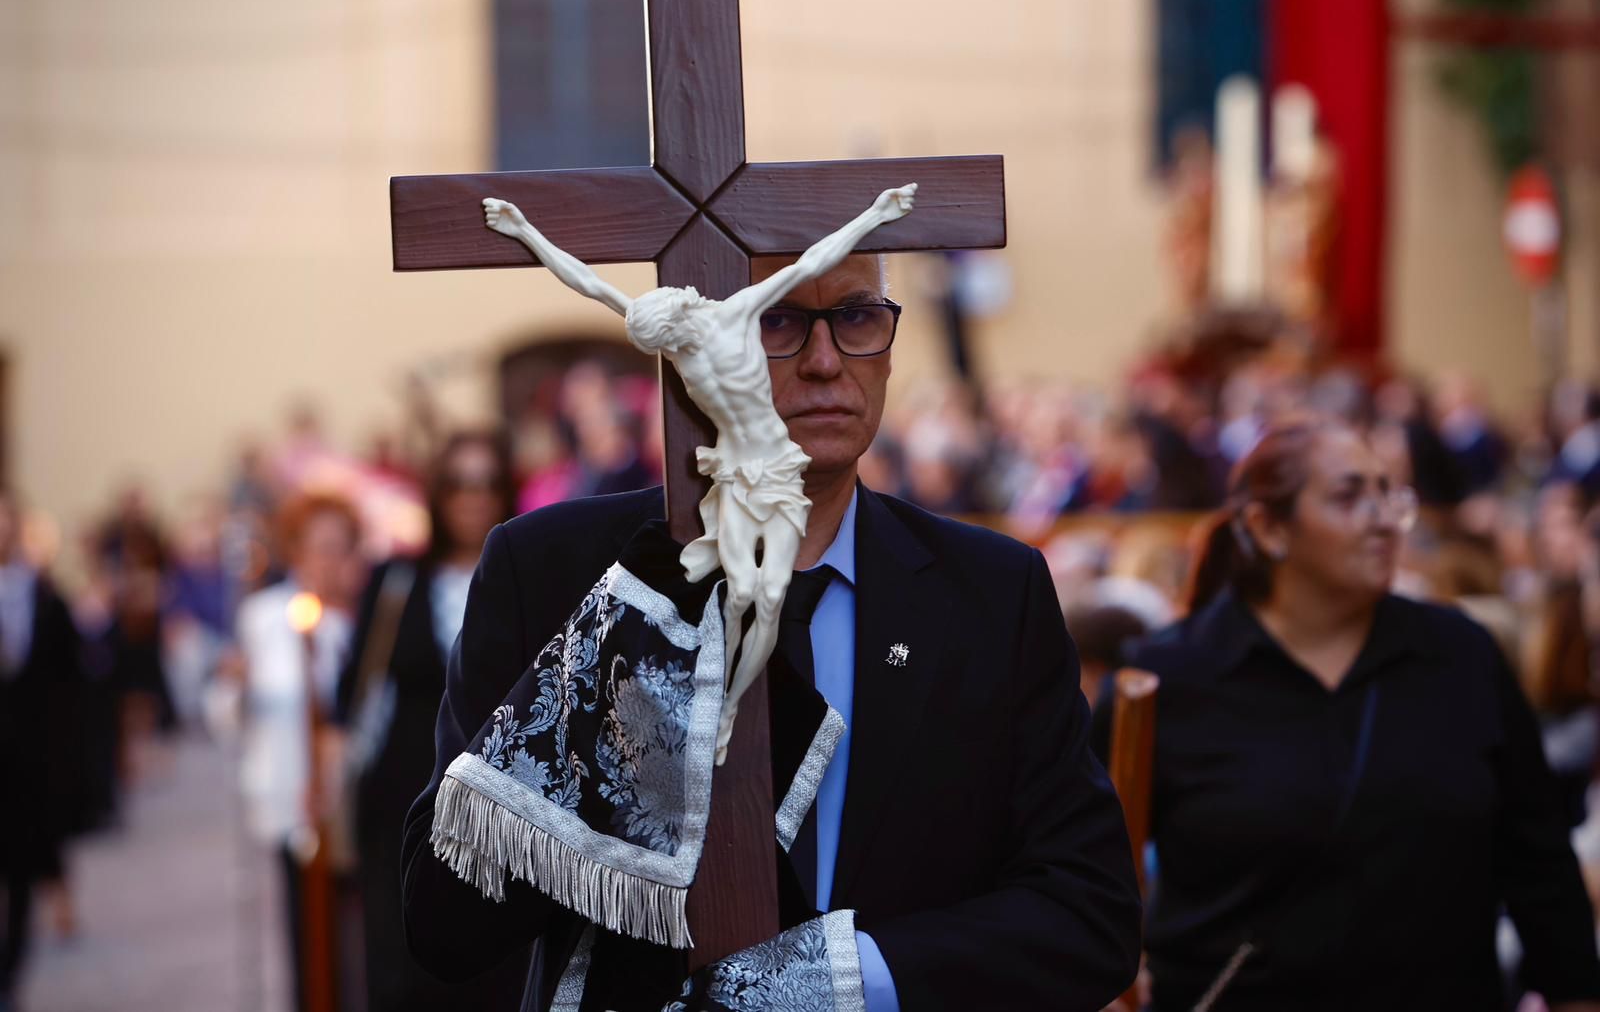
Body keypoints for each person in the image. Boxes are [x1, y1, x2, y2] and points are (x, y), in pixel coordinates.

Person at [400, 252, 1141, 1011]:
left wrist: (850, 978)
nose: (825, 361)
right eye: (778, 320)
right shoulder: (557, 568)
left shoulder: (990, 591)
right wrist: (615, 684)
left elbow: (1089, 911)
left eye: (856, 316)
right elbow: (443, 926)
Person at [1095, 417, 1600, 1011]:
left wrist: (1576, 997)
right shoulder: (1167, 679)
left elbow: (1538, 862)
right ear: (1268, 527)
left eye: (1390, 493)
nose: (1385, 519)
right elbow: (1091, 873)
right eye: (1349, 496)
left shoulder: (1462, 657)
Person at [335, 432, 529, 1011]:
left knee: (498, 956)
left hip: (503, 802)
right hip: (402, 795)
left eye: (488, 483)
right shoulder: (395, 579)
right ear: (437, 494)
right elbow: (353, 690)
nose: (473, 497)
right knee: (400, 958)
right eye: (459, 483)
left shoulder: (525, 577)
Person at [235, 493, 361, 1012]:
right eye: (320, 548)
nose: (331, 561)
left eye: (341, 548)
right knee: (307, 927)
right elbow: (239, 705)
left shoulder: (364, 621)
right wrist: (236, 687)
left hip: (355, 798)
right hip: (293, 790)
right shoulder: (265, 617)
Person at [0, 489, 83, 1012]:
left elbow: (67, 678)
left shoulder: (45, 597)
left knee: (23, 867)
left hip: (29, 758)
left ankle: (10, 974)